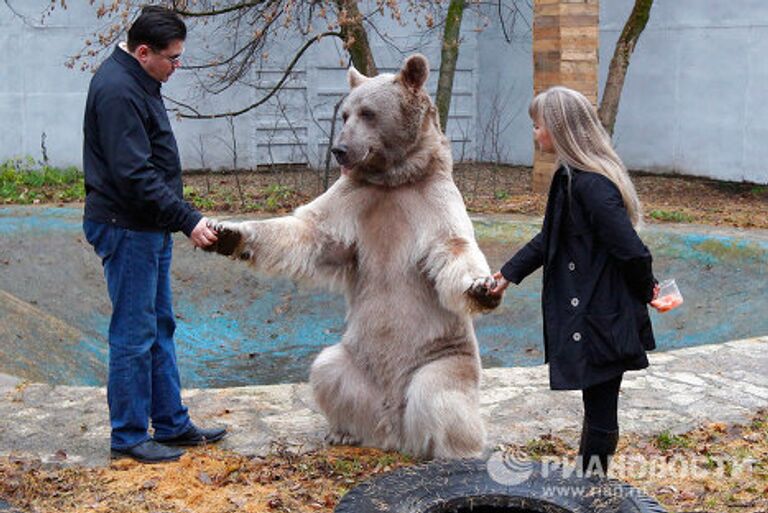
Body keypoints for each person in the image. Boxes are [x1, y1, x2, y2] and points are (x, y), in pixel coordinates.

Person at [490, 86, 663, 477]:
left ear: (559, 128)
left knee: (601, 411)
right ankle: (589, 484)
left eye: (538, 126)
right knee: (596, 405)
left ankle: (592, 487)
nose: (535, 134)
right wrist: (508, 274)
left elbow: (631, 251)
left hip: (603, 314)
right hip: (595, 310)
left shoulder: (591, 185)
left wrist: (648, 290)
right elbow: (549, 238)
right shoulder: (573, 178)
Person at [82, 6, 225, 463]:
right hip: (127, 228)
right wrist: (186, 218)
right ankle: (127, 435)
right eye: (173, 59)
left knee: (159, 326)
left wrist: (174, 218)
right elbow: (134, 175)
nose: (177, 67)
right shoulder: (118, 90)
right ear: (144, 52)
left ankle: (170, 423)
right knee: (133, 333)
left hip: (147, 227)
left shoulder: (141, 79)